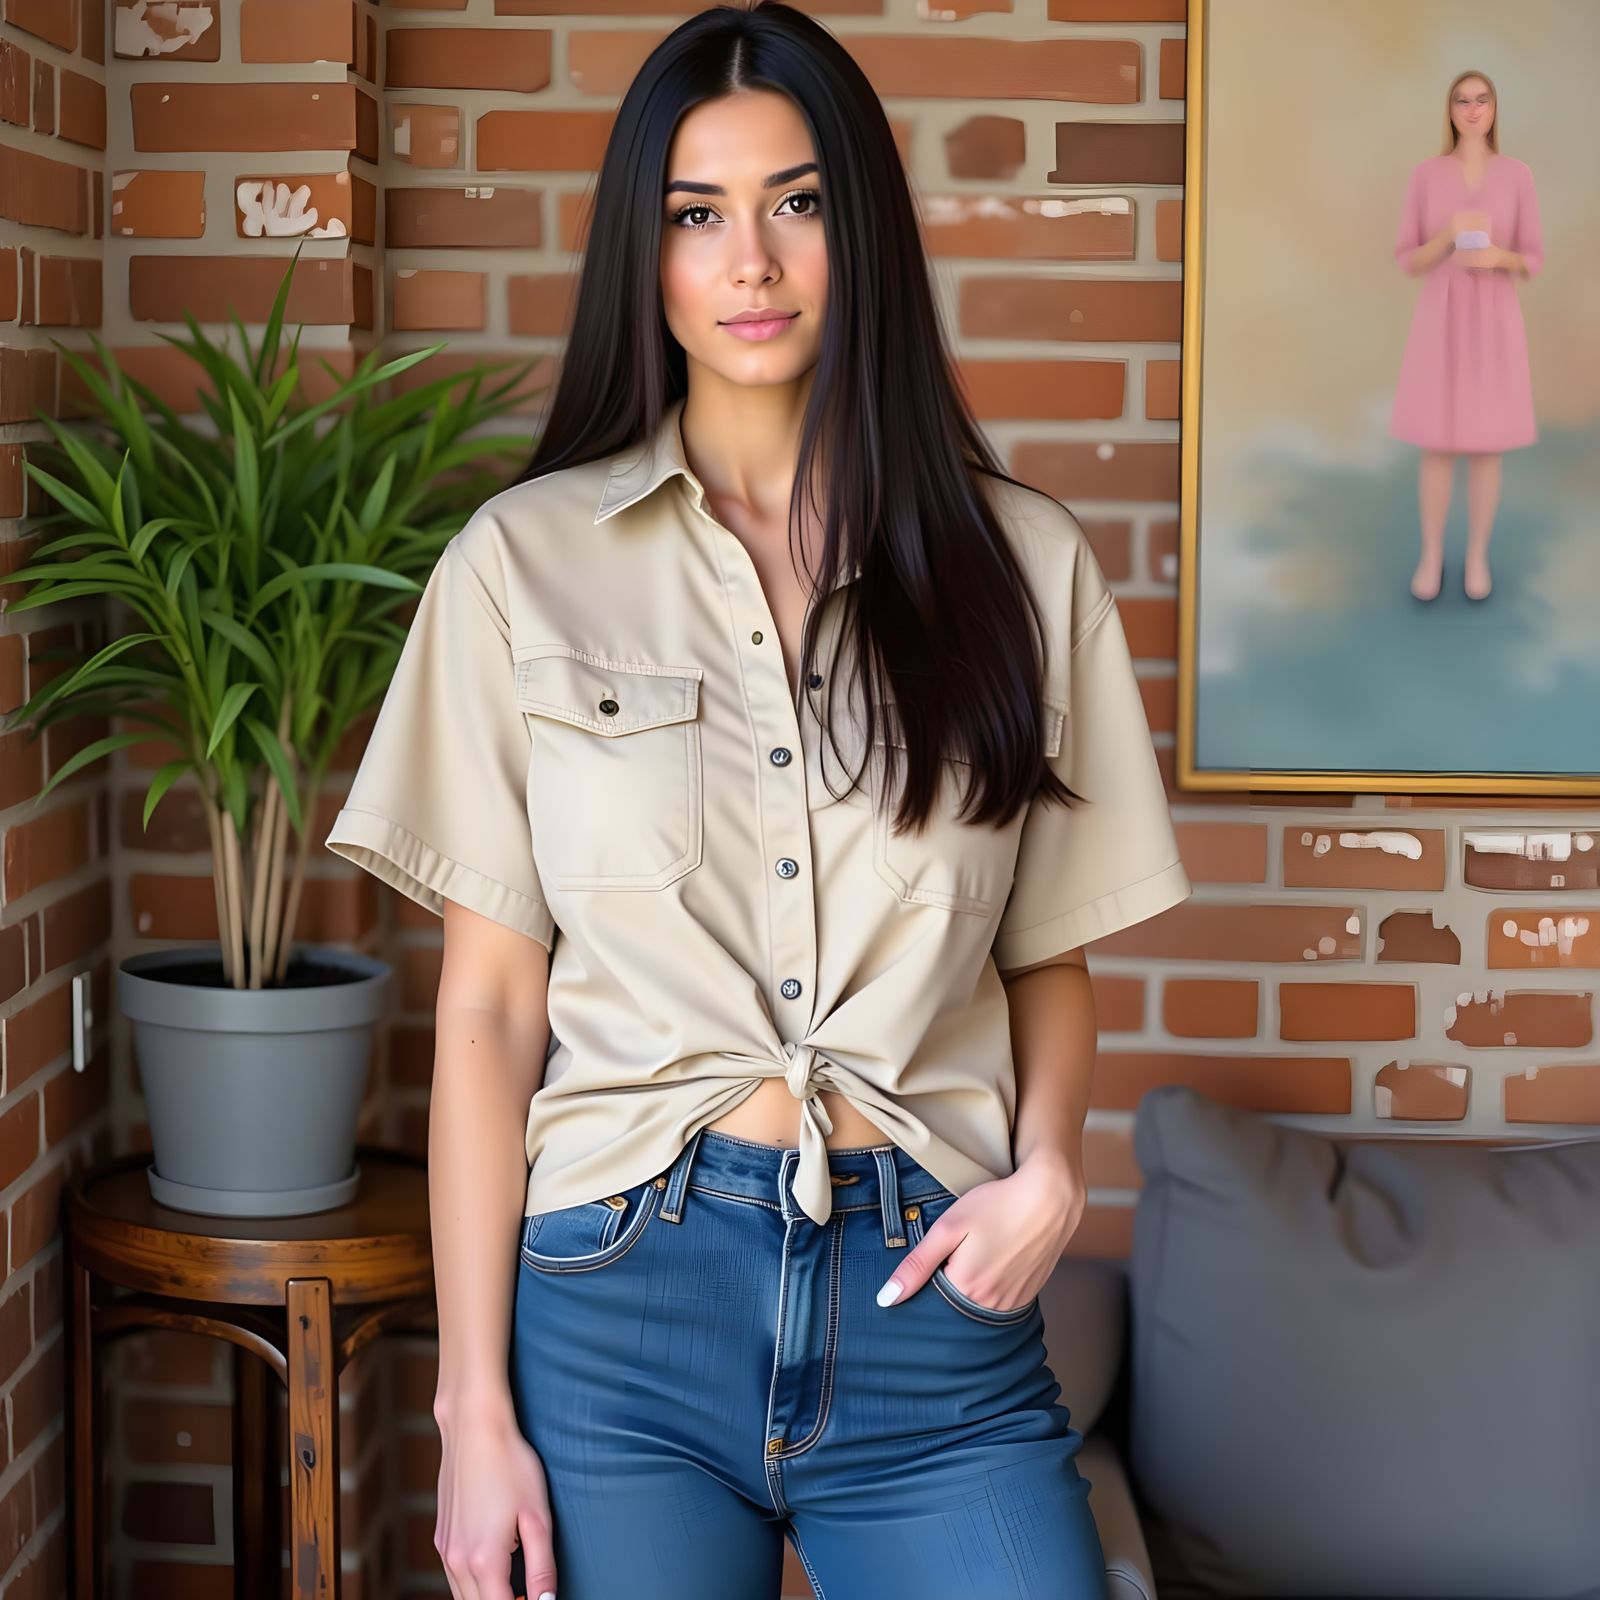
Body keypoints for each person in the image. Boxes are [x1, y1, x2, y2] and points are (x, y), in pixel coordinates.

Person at [325, 4, 1190, 1596]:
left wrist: (1054, 1172)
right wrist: (472, 1411)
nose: (752, 262)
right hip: (620, 1316)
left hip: (934, 1310)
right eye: (696, 215)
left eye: (796, 204)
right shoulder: (519, 570)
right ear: (642, 257)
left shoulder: (1024, 571)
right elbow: (491, 1021)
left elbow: (1045, 955)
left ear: (856, 232)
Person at [1388, 68, 1544, 604]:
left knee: (1486, 444)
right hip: (1442, 318)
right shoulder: (1426, 175)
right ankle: (1431, 554)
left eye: (1482, 100)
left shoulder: (1518, 175)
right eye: (1462, 101)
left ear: (1495, 109)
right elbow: (1409, 259)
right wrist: (1448, 237)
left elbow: (1534, 257)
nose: (1473, 110)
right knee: (1438, 442)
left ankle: (1477, 554)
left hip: (1495, 318)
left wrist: (1500, 256)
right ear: (1450, 110)